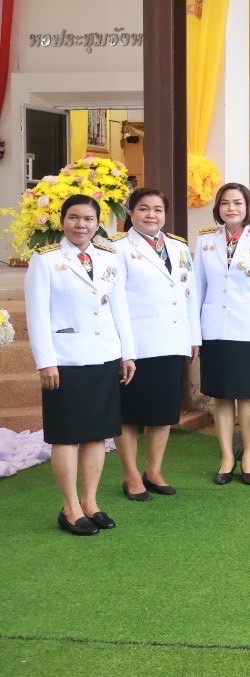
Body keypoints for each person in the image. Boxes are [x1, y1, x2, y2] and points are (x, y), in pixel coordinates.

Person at [26, 195, 137, 535]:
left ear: (97, 223)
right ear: (62, 221)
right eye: (74, 217)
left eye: (88, 219)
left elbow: (119, 308)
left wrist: (127, 353)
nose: (81, 225)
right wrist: (46, 361)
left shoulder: (108, 257)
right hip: (65, 360)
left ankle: (90, 502)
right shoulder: (45, 260)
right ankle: (70, 507)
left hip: (103, 355)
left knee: (97, 435)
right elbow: (37, 315)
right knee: (67, 436)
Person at [113, 187, 201, 501]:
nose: (151, 215)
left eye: (158, 209)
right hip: (138, 344)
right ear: (130, 213)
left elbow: (190, 295)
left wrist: (193, 338)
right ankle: (131, 475)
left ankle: (153, 470)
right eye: (144, 209)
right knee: (130, 414)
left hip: (173, 341)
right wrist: (125, 350)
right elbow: (117, 302)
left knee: (164, 412)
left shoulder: (178, 246)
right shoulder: (117, 248)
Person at [192, 183, 250, 486]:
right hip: (214, 329)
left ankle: (248, 456)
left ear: (247, 208)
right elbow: (197, 289)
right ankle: (227, 456)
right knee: (221, 396)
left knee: (248, 395)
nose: (231, 208)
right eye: (226, 203)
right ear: (218, 207)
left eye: (238, 203)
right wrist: (195, 334)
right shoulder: (206, 240)